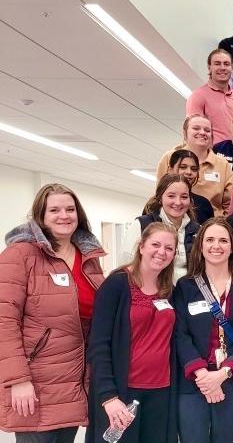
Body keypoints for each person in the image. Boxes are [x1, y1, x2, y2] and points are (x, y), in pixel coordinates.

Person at [0, 184, 106, 442]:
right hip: (36, 381)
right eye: (55, 210)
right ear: (41, 216)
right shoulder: (21, 254)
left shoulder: (88, 256)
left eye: (70, 209)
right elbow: (4, 320)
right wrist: (18, 380)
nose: (64, 216)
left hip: (73, 380)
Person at [174, 218, 233, 443]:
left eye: (223, 240)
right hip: (195, 382)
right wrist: (203, 375)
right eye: (210, 240)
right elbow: (180, 334)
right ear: (201, 246)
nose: (216, 246)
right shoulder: (185, 287)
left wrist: (223, 373)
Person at [87, 223, 178, 443]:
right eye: (155, 245)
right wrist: (108, 397)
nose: (161, 252)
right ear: (141, 247)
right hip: (123, 392)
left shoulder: (169, 289)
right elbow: (98, 345)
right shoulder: (117, 284)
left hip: (162, 391)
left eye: (169, 248)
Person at [122, 174, 199, 281]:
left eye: (184, 197)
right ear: (160, 198)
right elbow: (126, 266)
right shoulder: (142, 225)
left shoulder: (198, 230)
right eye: (171, 196)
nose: (178, 202)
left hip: (187, 294)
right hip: (150, 292)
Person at [156, 115, 233, 217]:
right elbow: (159, 194)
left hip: (210, 225)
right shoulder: (169, 157)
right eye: (196, 128)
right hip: (174, 222)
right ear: (185, 133)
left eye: (207, 130)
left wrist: (222, 225)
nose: (202, 132)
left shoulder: (223, 164)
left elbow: (230, 203)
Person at [186, 49, 233, 143]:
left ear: (232, 68)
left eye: (226, 64)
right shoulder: (198, 96)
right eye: (217, 64)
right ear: (209, 67)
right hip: (211, 154)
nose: (222, 67)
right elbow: (193, 132)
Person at [167, 149, 214, 224]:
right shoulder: (155, 203)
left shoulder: (203, 204)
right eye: (182, 167)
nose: (189, 172)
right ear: (170, 170)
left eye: (194, 169)